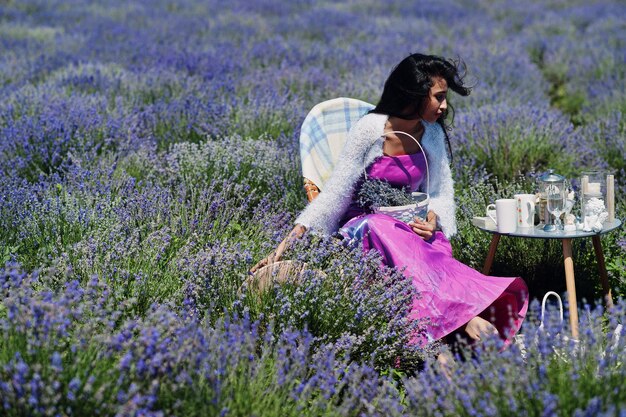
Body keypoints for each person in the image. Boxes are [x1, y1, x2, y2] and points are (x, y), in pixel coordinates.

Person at [251, 53, 528, 353]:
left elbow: (440, 191)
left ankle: (446, 336)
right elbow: (335, 193)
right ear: (415, 94)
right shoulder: (370, 130)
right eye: (438, 97)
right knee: (378, 226)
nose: (444, 106)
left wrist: (433, 219)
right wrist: (286, 244)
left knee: (431, 244)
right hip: (364, 230)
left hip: (410, 225)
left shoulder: (431, 133)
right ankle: (467, 319)